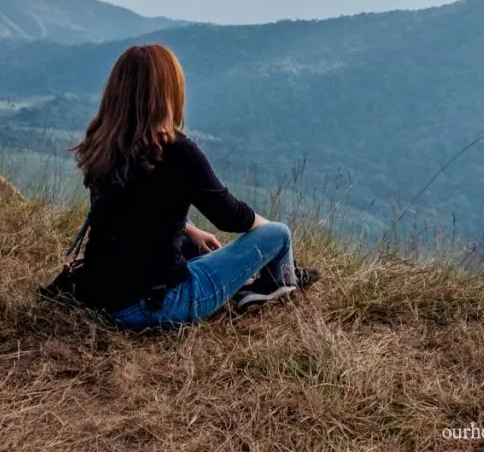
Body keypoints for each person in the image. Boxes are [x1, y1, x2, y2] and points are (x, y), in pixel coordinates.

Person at [69, 43, 319, 328]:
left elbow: (132, 210)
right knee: (279, 233)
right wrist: (263, 227)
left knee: (192, 244)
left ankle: (253, 280)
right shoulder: (177, 152)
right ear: (168, 93)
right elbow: (230, 216)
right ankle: (278, 282)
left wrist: (190, 229)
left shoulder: (103, 143)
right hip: (157, 305)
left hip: (100, 295)